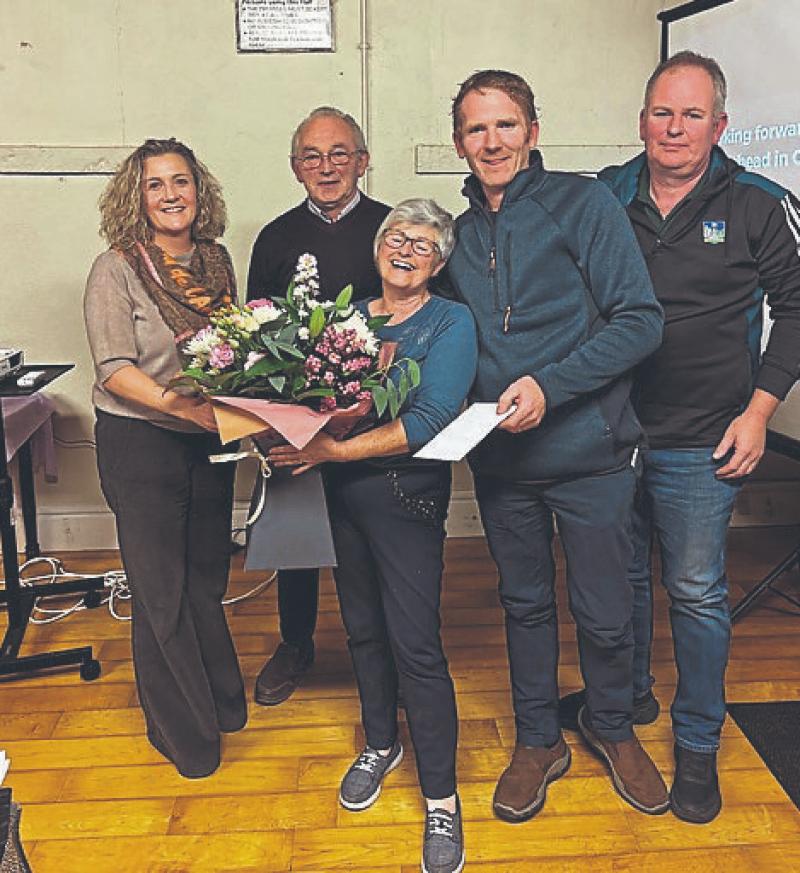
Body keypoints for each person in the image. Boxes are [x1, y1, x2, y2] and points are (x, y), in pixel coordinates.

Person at [561, 51, 800, 824]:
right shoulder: (603, 197)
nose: (675, 127)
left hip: (707, 438)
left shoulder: (762, 202)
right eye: (662, 112)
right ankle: (626, 700)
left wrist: (759, 412)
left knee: (695, 592)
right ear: (641, 121)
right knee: (621, 579)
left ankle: (698, 743)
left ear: (721, 125)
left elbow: (797, 311)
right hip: (609, 431)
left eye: (692, 114)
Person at [445, 69, 668, 822]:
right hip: (504, 464)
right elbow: (452, 342)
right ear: (458, 144)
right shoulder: (459, 233)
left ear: (532, 132)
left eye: (506, 124)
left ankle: (610, 724)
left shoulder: (584, 203)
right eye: (477, 129)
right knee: (524, 603)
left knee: (606, 609)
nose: (492, 141)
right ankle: (539, 738)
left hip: (592, 453)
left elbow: (640, 321)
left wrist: (551, 386)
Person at [270, 199, 477, 873]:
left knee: (416, 642)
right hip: (340, 497)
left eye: (423, 242)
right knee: (360, 626)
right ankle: (382, 741)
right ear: (378, 248)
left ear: (439, 261)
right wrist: (285, 431)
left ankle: (441, 796)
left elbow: (432, 417)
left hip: (405, 498)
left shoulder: (451, 321)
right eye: (396, 236)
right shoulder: (347, 315)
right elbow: (306, 401)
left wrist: (333, 451)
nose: (406, 248)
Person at [84, 138, 246, 778]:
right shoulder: (115, 268)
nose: (172, 194)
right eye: (156, 185)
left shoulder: (216, 261)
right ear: (137, 197)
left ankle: (222, 703)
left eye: (182, 182)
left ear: (199, 192)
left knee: (207, 580)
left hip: (210, 438)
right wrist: (187, 410)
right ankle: (189, 739)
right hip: (140, 440)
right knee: (161, 590)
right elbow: (115, 370)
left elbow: (235, 352)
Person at [247, 107, 391, 707]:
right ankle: (295, 643)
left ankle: (388, 650)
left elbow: (425, 312)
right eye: (312, 155)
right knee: (295, 536)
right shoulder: (275, 237)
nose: (326, 167)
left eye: (340, 154)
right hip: (296, 418)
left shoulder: (393, 228)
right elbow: (253, 332)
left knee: (375, 539)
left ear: (363, 160)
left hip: (372, 416)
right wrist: (269, 419)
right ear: (294, 167)